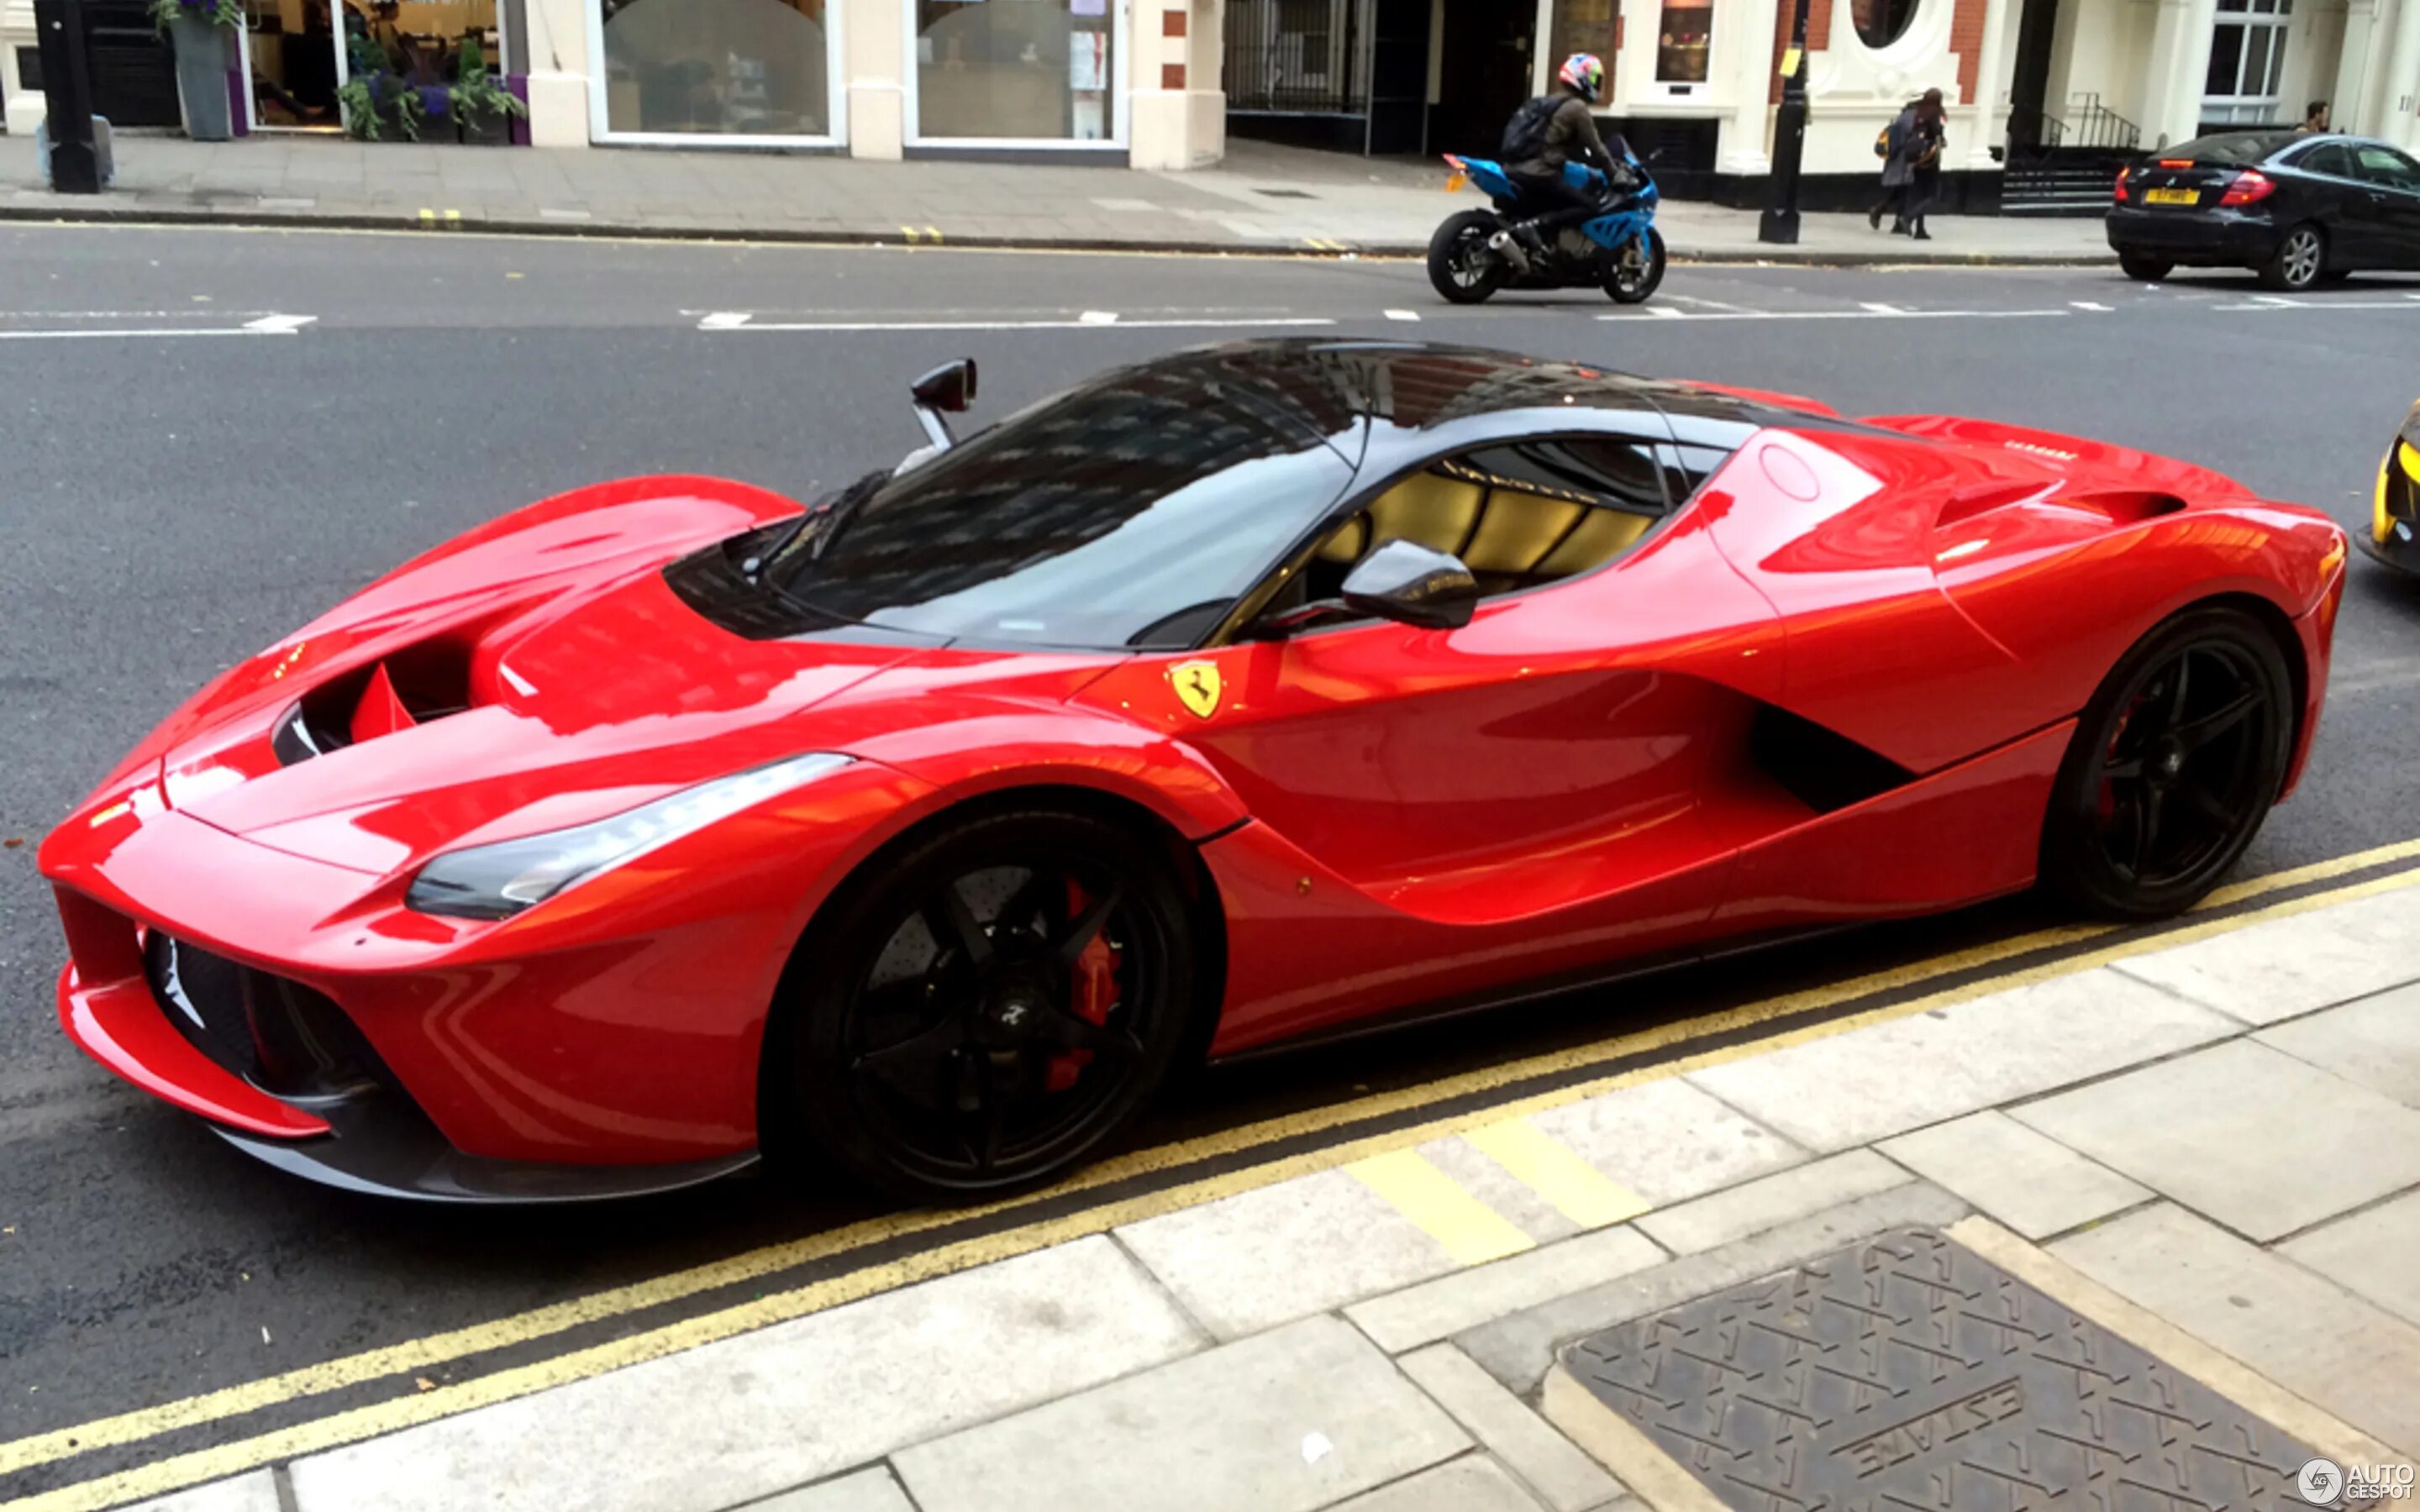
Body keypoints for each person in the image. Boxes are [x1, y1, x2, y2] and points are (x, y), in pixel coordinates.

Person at [1502, 54, 1634, 259]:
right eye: (1596, 80)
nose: (1597, 85)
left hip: (1513, 168)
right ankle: (1538, 226)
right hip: (1540, 173)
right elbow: (1597, 149)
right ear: (1584, 79)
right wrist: (1615, 174)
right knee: (1589, 206)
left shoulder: (1547, 101)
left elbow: (1565, 145)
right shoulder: (1577, 108)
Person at [1870, 88, 1944, 238]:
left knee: (1904, 191)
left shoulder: (1906, 113)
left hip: (1901, 157)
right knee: (1915, 192)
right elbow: (1934, 135)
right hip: (1915, 159)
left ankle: (1897, 222)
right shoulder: (1925, 115)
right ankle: (1902, 220)